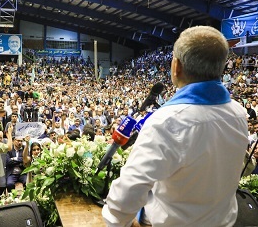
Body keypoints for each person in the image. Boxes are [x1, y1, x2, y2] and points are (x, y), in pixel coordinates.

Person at [102, 26, 249, 227]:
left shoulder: (167, 121)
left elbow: (127, 193)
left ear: (176, 66)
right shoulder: (239, 113)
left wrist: (117, 222)